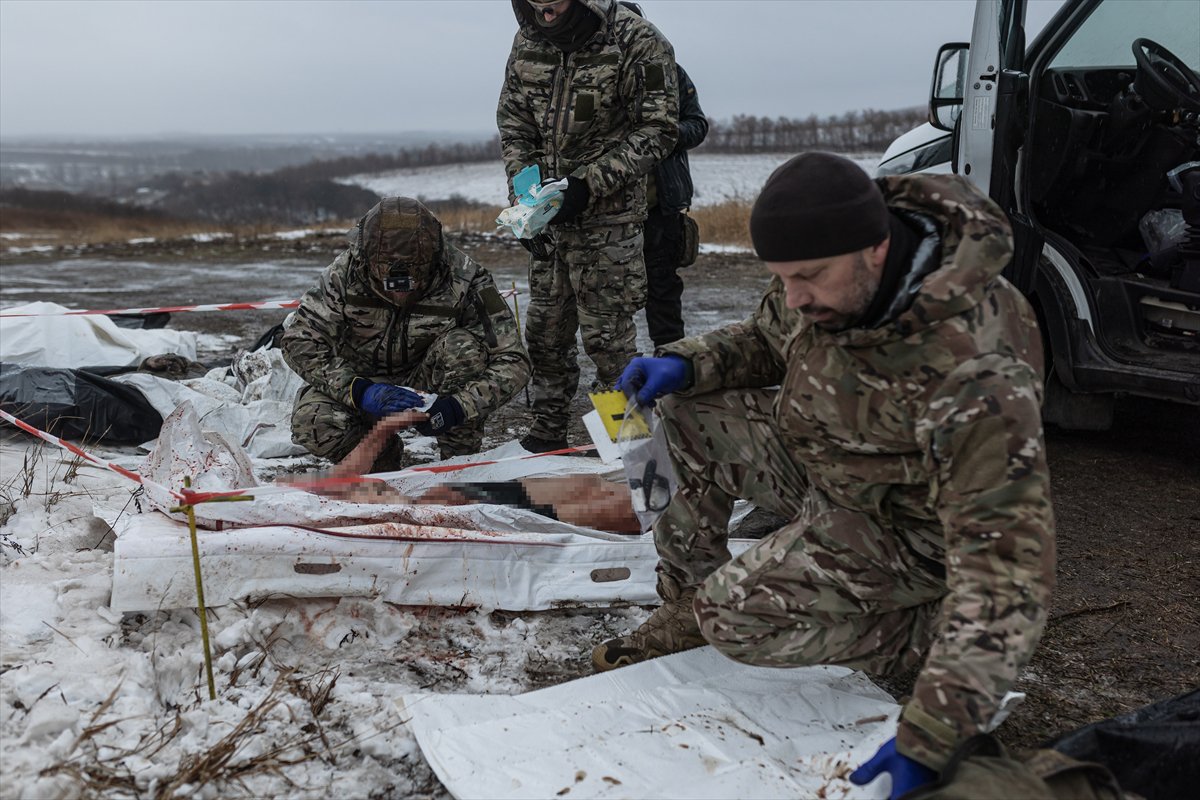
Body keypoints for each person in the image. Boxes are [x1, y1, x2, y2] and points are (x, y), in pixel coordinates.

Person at [594, 153, 1056, 798]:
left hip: (904, 530)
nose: (796, 298)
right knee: (683, 415)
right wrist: (688, 363)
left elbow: (1005, 565)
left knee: (731, 619)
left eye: (809, 277)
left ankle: (926, 626)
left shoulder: (975, 370)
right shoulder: (831, 275)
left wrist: (935, 730)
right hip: (827, 466)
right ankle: (683, 606)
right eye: (783, 279)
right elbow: (767, 338)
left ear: (877, 248)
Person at [497, 0, 679, 453]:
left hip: (609, 220)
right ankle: (547, 433)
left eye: (553, 5)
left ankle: (628, 443)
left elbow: (658, 129)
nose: (544, 13)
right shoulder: (528, 39)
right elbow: (515, 123)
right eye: (535, 4)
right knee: (546, 333)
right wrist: (526, 196)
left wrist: (587, 185)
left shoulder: (636, 40)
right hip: (548, 220)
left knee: (608, 339)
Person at [281, 197, 530, 468]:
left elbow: (513, 360)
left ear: (433, 258)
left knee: (462, 349)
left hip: (427, 381)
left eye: (413, 275)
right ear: (367, 259)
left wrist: (459, 407)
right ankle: (381, 458)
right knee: (312, 421)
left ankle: (457, 464)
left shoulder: (465, 277)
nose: (399, 289)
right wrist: (358, 390)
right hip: (361, 381)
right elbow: (299, 341)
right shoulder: (343, 275)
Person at [620, 3, 709, 348]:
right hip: (608, 211)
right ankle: (619, 372)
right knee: (609, 299)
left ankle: (670, 365)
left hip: (660, 208)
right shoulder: (588, 76)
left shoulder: (672, 71)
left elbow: (697, 125)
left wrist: (663, 135)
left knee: (663, 294)